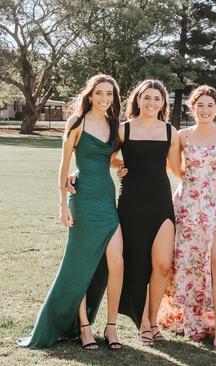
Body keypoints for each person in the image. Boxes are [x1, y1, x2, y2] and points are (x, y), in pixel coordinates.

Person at [17, 74, 124, 350]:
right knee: (80, 266)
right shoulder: (76, 123)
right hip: (83, 201)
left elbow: (106, 157)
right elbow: (64, 167)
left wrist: (121, 166)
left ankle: (111, 327)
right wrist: (62, 205)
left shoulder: (113, 125)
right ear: (90, 95)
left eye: (109, 94)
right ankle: (84, 329)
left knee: (117, 263)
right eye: (99, 93)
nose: (104, 98)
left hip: (107, 201)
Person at [158, 85, 216, 347]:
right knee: (189, 262)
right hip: (188, 204)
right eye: (199, 105)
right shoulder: (182, 135)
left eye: (209, 105)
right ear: (192, 107)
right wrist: (193, 183)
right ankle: (193, 320)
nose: (204, 109)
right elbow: (175, 168)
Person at [117, 79, 182, 346]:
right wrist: (120, 164)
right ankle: (144, 324)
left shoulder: (170, 132)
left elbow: (179, 170)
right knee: (136, 265)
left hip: (161, 202)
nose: (152, 103)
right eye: (147, 97)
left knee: (163, 265)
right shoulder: (124, 130)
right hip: (132, 203)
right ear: (138, 98)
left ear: (163, 103)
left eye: (157, 99)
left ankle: (154, 321)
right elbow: (101, 155)